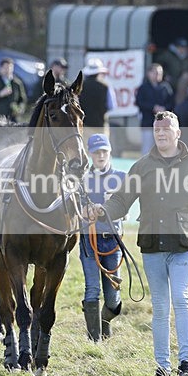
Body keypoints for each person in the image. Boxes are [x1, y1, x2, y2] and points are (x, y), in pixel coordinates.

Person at [87, 111, 188, 376]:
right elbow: (122, 200)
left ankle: (186, 364)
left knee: (180, 299)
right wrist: (102, 210)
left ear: (177, 133)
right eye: (157, 130)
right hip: (152, 244)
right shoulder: (142, 166)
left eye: (166, 129)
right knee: (159, 306)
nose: (161, 134)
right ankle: (161, 367)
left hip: (183, 243)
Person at [79, 134, 126, 342]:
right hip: (89, 241)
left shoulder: (122, 178)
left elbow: (125, 212)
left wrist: (105, 209)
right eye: (96, 152)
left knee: (113, 298)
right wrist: (84, 210)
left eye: (104, 152)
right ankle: (94, 340)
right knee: (92, 289)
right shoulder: (80, 180)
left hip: (113, 242)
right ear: (90, 153)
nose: (100, 156)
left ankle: (105, 321)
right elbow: (73, 209)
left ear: (110, 153)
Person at [135, 63, 174, 155]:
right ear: (149, 73)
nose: (158, 75)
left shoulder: (165, 87)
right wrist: (153, 107)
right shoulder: (143, 88)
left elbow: (171, 102)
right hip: (148, 122)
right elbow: (139, 102)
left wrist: (164, 108)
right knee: (147, 148)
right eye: (155, 72)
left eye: (160, 73)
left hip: (163, 124)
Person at [79, 58, 116, 135]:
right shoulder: (105, 86)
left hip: (84, 125)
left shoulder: (80, 87)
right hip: (100, 125)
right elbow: (111, 106)